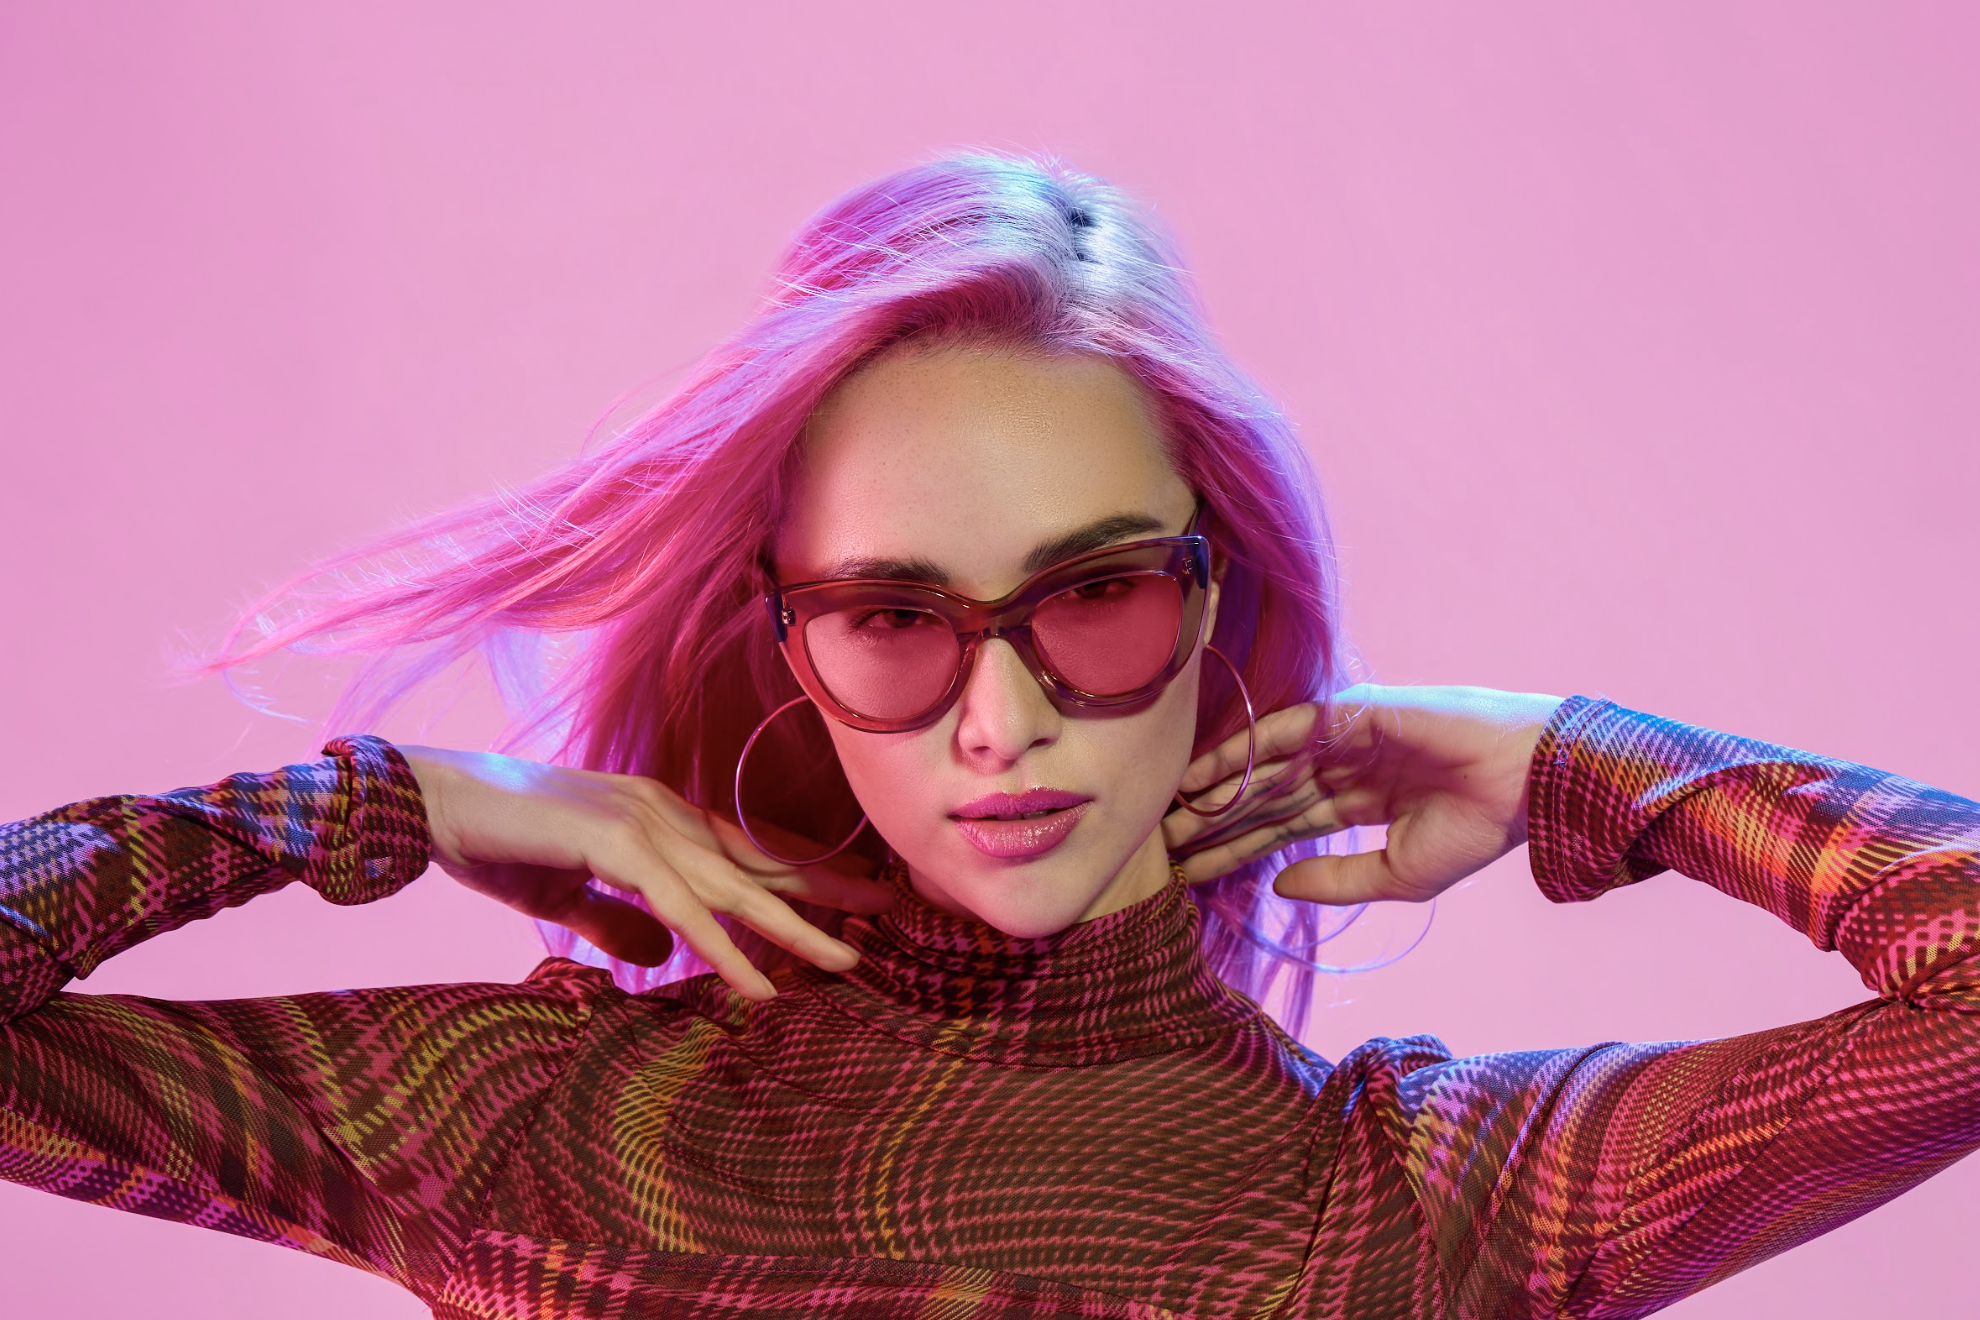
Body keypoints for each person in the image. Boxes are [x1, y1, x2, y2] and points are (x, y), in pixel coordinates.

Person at [1, 153, 1973, 1320]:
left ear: (1219, 604)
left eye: (1097, 593)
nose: (1001, 717)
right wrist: (375, 804)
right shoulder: (528, 1123)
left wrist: (1580, 756)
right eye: (892, 619)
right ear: (783, 636)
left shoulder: (1428, 1202)